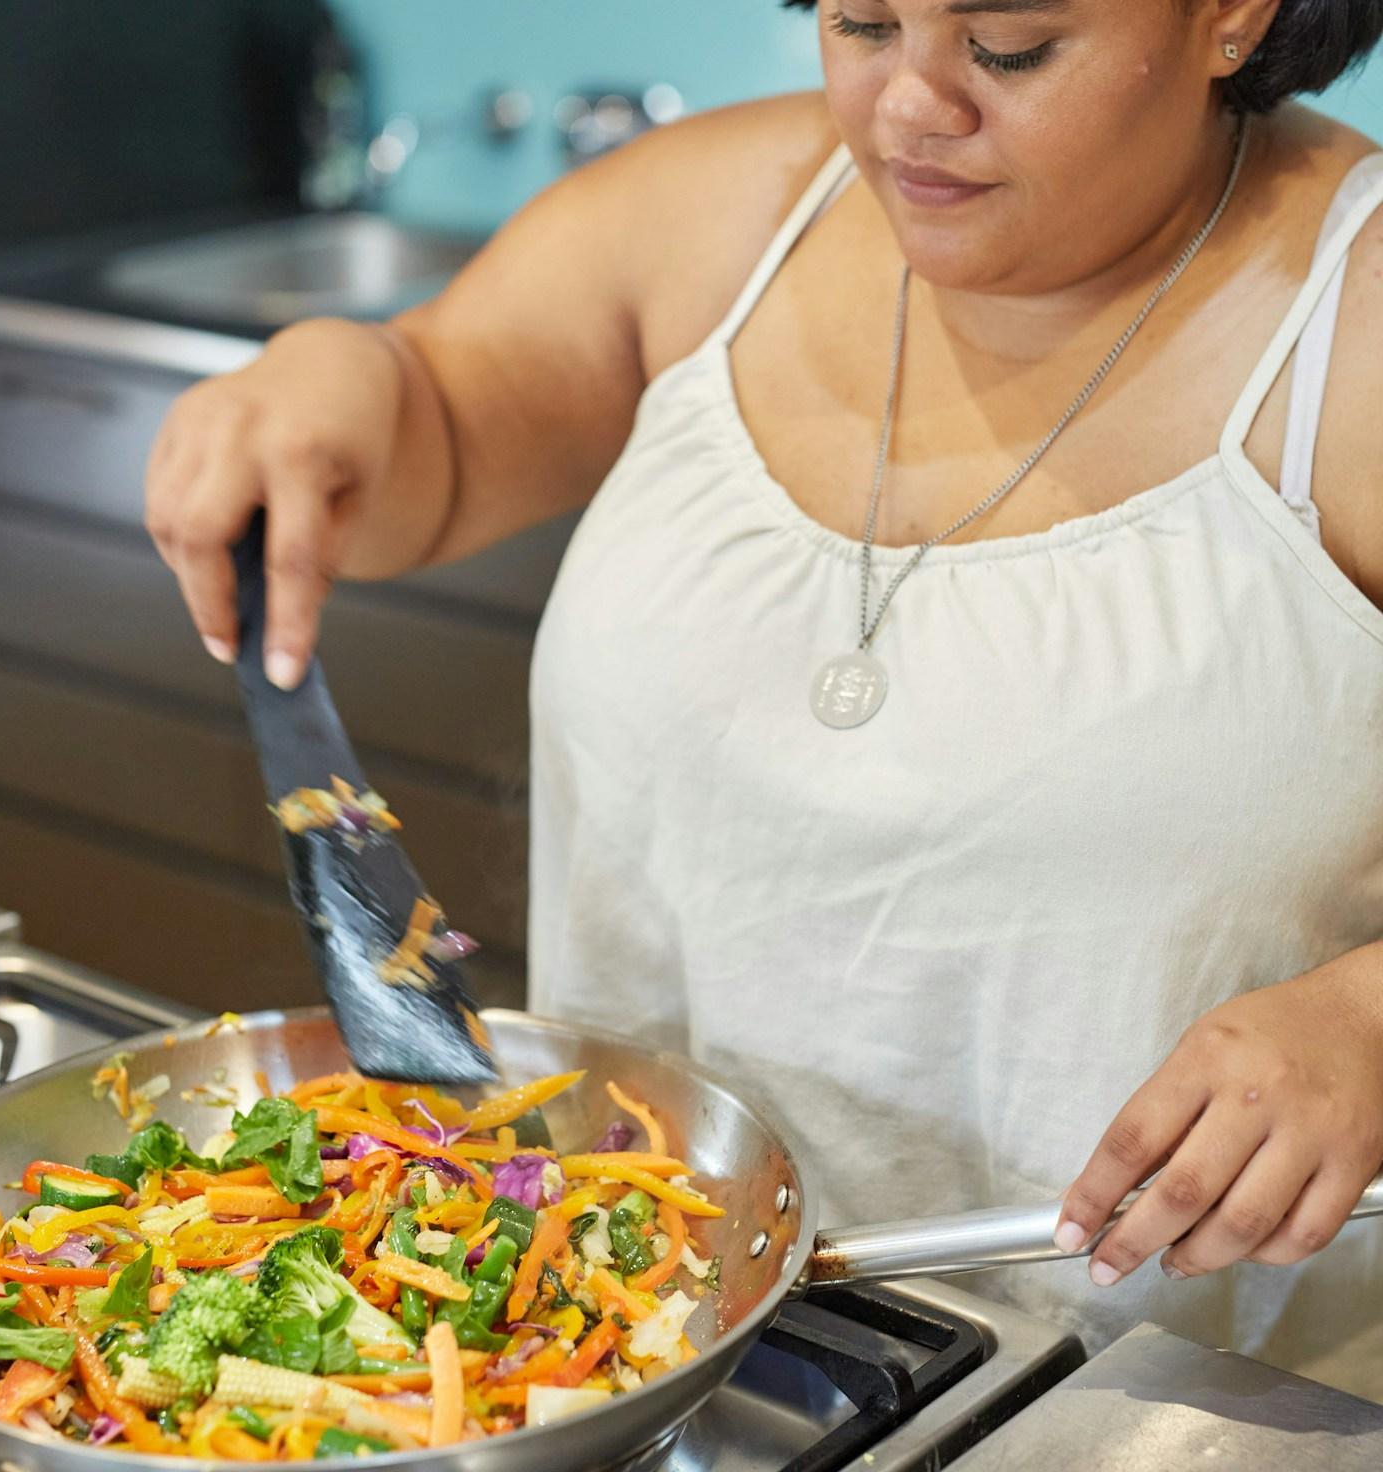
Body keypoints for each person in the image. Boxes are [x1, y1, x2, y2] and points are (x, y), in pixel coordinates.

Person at [145, 0, 1383, 1394]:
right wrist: (345, 382)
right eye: (864, 22)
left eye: (1008, 46)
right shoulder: (722, 211)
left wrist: (1366, 1024)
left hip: (1175, 1406)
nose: (908, 106)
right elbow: (437, 409)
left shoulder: (1357, 322)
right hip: (631, 1346)